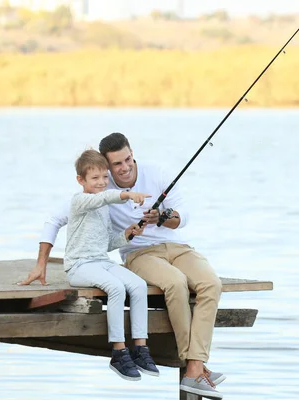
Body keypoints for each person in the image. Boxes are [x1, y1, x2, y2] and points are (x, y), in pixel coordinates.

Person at [20, 133, 225, 399]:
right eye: (117, 164)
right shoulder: (100, 190)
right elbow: (54, 220)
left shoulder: (156, 172)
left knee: (212, 284)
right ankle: (195, 367)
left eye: (128, 159)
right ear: (106, 166)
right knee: (175, 283)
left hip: (178, 247)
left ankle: (194, 366)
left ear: (132, 154)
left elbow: (183, 215)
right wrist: (41, 264)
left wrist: (161, 218)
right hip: (140, 254)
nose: (125, 167)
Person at [20, 149, 159, 382]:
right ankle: (118, 351)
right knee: (115, 288)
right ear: (81, 181)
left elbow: (105, 243)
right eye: (95, 178)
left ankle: (140, 348)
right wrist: (126, 195)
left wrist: (126, 234)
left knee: (138, 285)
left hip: (100, 261)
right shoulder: (81, 201)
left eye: (105, 177)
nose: (102, 182)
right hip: (79, 266)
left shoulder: (104, 206)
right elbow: (101, 198)